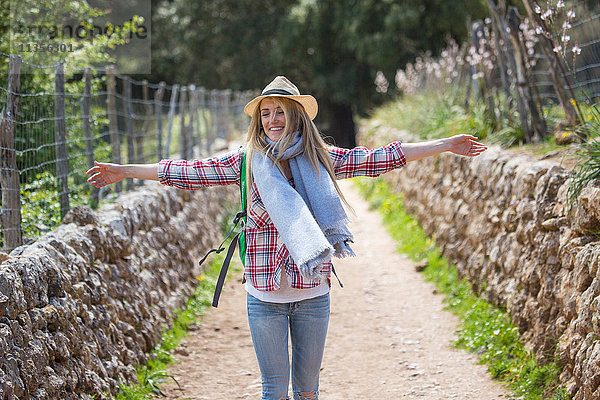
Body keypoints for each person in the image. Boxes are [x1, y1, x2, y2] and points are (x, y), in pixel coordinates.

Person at [87, 76, 487, 400]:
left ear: (297, 116)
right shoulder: (245, 163)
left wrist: (446, 145)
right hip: (264, 298)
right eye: (266, 113)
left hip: (313, 293)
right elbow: (189, 170)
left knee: (308, 393)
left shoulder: (319, 159)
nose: (273, 119)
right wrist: (124, 170)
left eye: (280, 111)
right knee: (273, 392)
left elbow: (378, 158)